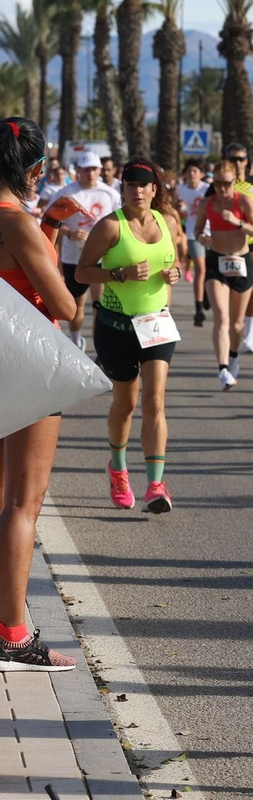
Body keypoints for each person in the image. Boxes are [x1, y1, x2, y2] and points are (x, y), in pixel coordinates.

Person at [0, 117, 79, 672]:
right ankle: (13, 633)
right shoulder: (17, 223)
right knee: (23, 504)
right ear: (31, 168)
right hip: (26, 365)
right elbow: (64, 306)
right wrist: (47, 231)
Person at [72, 157, 184, 514]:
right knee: (126, 404)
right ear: (121, 189)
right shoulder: (110, 227)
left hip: (156, 324)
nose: (137, 190)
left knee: (156, 401)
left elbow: (175, 261)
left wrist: (175, 275)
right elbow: (82, 273)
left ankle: (156, 484)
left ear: (154, 190)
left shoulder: (168, 221)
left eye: (143, 184)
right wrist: (119, 274)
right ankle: (118, 469)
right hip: (117, 326)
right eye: (129, 184)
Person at [41, 151, 120, 349]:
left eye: (93, 169)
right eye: (86, 170)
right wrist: (70, 232)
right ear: (78, 171)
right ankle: (76, 343)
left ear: (100, 170)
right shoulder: (67, 193)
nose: (90, 174)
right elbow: (50, 220)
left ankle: (100, 349)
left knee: (99, 306)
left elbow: (121, 223)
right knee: (76, 306)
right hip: (73, 256)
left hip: (102, 257)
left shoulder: (110, 194)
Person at [196, 159, 253, 389]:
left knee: (236, 324)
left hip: (241, 261)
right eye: (217, 183)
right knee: (221, 318)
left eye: (226, 183)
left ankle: (234, 357)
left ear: (235, 181)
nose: (222, 188)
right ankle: (223, 368)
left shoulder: (243, 201)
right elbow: (197, 230)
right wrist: (202, 237)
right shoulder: (207, 203)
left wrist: (238, 223)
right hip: (217, 261)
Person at [218, 145, 253, 356]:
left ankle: (249, 336)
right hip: (228, 243)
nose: (237, 163)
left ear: (247, 161)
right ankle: (232, 327)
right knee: (230, 291)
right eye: (233, 158)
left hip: (251, 240)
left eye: (241, 159)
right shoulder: (223, 186)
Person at [175, 161, 209, 324]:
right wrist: (179, 207)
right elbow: (175, 211)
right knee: (200, 269)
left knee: (209, 270)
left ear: (201, 174)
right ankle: (199, 307)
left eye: (195, 170)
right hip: (192, 233)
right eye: (189, 171)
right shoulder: (181, 190)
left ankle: (207, 294)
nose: (192, 174)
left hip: (211, 232)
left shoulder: (206, 189)